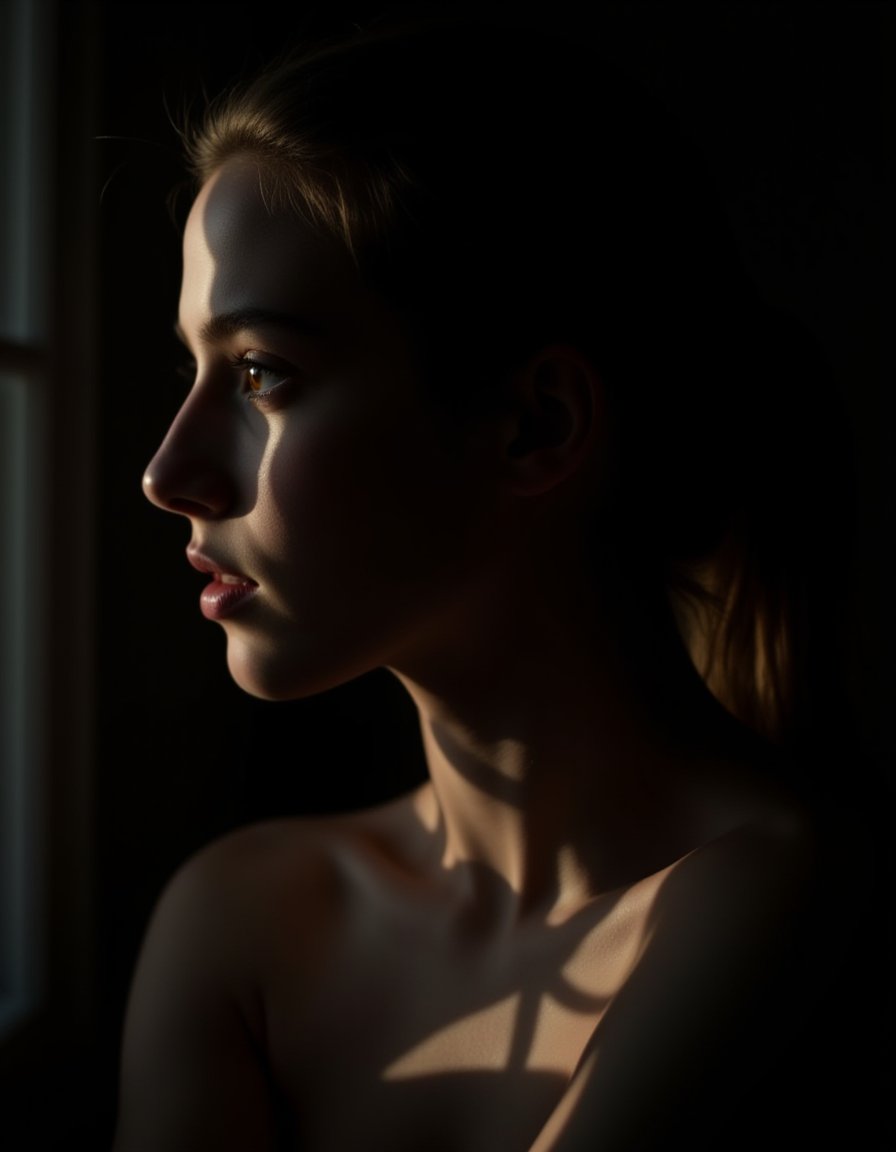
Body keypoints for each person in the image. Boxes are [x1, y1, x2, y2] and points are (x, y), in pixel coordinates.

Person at [112, 11, 864, 1150]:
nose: (170, 472)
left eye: (261, 373)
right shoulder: (242, 920)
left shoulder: (782, 902)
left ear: (533, 425)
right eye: (195, 366)